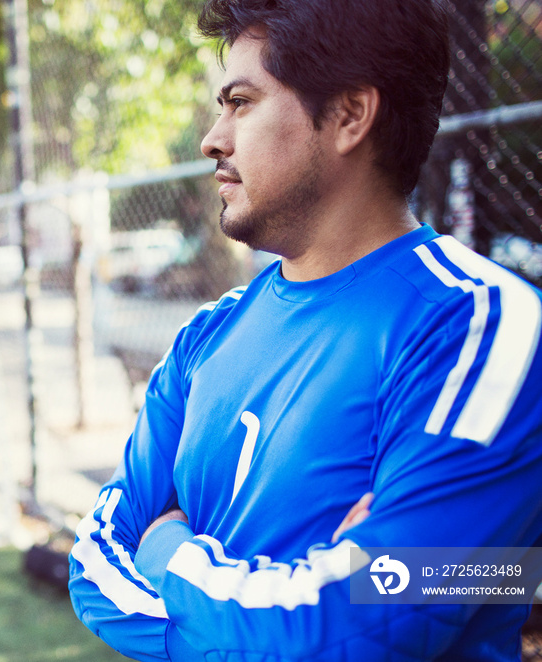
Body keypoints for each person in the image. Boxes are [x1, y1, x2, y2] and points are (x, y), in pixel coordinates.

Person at [69, 0, 542, 659]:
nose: (213, 138)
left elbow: (368, 625)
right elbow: (93, 566)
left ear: (349, 115)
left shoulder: (478, 327)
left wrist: (167, 555)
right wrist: (301, 596)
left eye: (241, 102)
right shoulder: (207, 338)